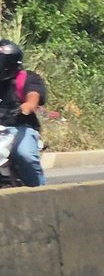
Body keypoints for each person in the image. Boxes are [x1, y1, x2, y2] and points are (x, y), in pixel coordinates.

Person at [0, 40, 47, 186]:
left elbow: (34, 94)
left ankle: (39, 193)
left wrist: (28, 105)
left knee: (24, 154)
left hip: (21, 126)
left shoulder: (27, 78)